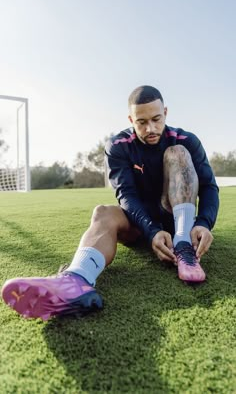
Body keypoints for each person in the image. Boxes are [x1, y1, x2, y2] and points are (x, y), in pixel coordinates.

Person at [1, 85, 219, 321]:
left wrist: (204, 222)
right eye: (141, 122)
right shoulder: (118, 145)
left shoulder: (186, 139)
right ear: (130, 119)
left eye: (156, 119)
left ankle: (184, 245)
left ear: (165, 112)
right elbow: (126, 195)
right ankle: (76, 281)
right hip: (140, 222)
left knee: (177, 153)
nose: (150, 128)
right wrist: (152, 231)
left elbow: (208, 186)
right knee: (102, 212)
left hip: (175, 217)